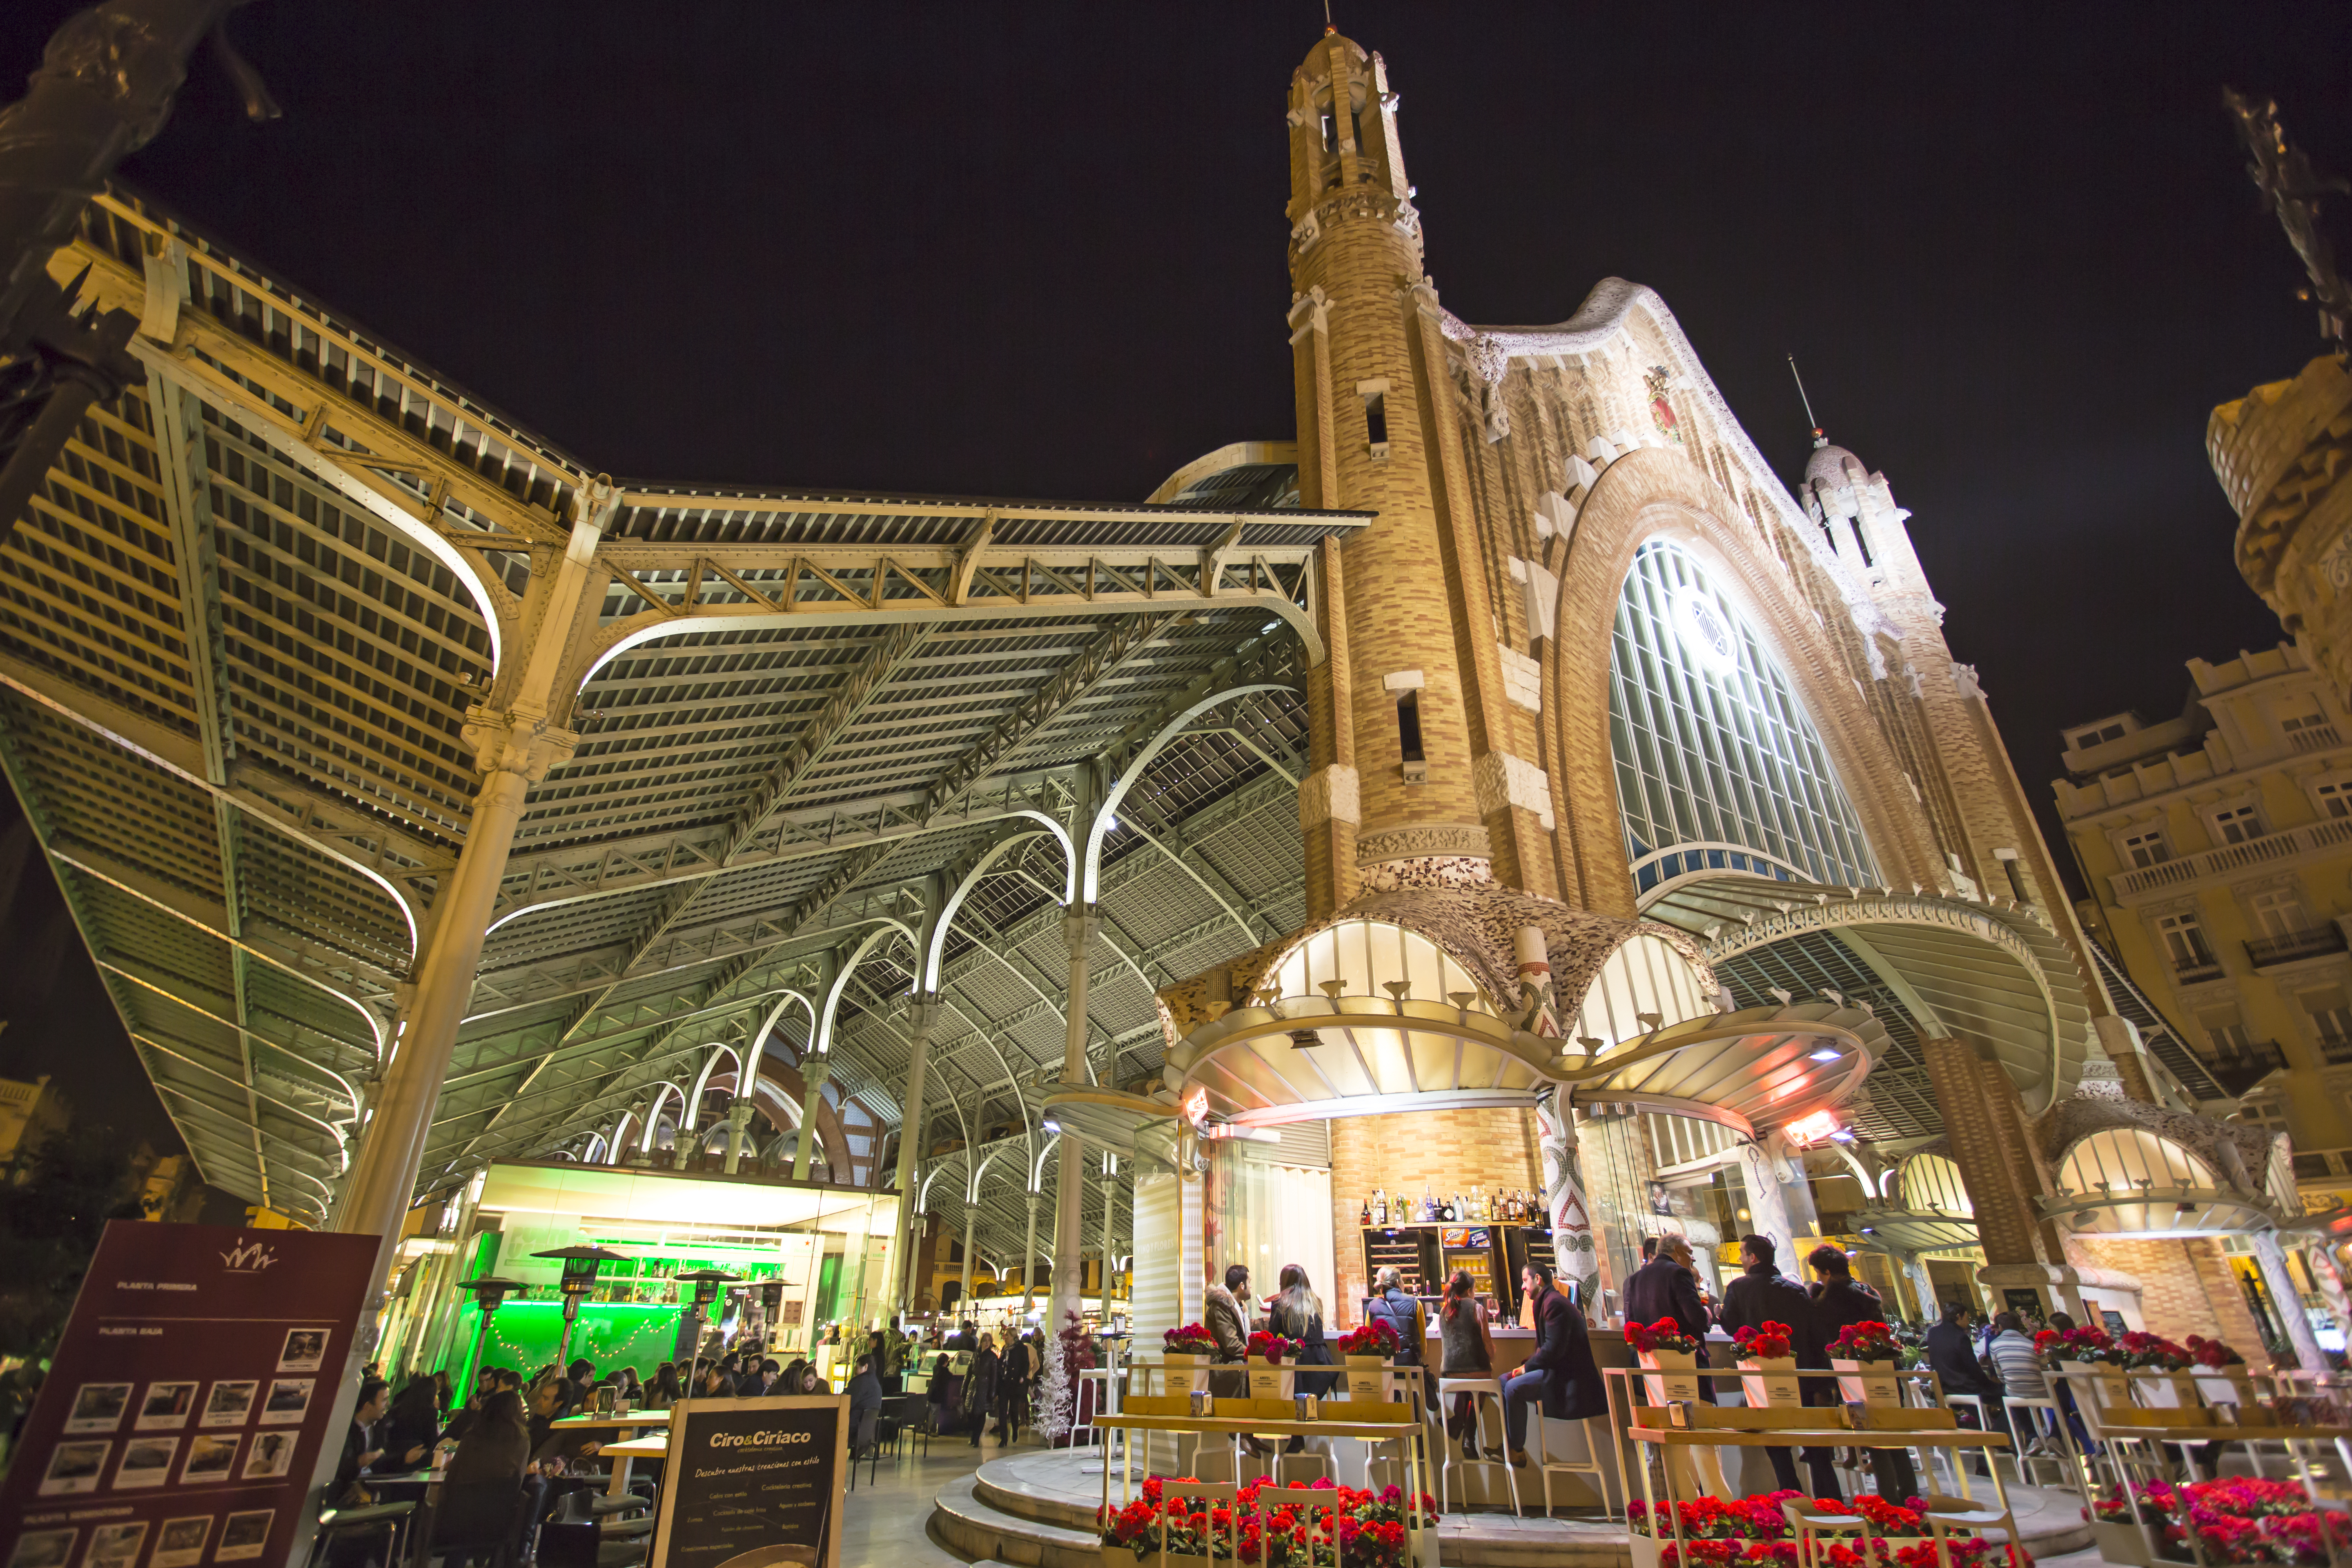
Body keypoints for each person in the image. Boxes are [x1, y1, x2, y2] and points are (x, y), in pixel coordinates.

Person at [1717, 1233, 1833, 1497]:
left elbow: (1735, 1329)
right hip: (1801, 1375)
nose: (1741, 1259)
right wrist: (1821, 1382)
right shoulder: (1794, 1290)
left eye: (1743, 1254)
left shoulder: (1739, 1288)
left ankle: (1793, 1500)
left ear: (1753, 1258)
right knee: (1816, 1444)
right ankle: (1830, 1504)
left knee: (1777, 1444)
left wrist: (1720, 1316)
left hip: (1764, 1378)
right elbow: (1816, 1336)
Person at [1808, 1244, 1917, 1503]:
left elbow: (1827, 1341)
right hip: (1886, 1370)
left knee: (1873, 1440)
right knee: (1895, 1439)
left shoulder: (1829, 1301)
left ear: (1826, 1271)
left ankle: (1889, 1504)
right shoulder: (1866, 1292)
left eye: (1818, 1272)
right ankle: (1910, 1498)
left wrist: (1825, 1385)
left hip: (1854, 1373)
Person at [1502, 1262, 1604, 1468]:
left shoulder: (1554, 1303)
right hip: (1556, 1369)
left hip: (1569, 1377)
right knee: (1503, 1381)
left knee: (1513, 1387)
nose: (1522, 1287)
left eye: (1525, 1281)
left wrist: (1526, 1368)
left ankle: (1516, 1451)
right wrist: (1527, 1366)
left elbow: (1553, 1350)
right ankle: (1511, 1446)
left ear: (1537, 1279)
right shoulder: (1549, 1300)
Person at [1625, 1233, 1711, 1389]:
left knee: (1660, 1411)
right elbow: (1696, 1317)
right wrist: (1707, 1314)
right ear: (1677, 1250)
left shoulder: (1635, 1278)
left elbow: (1631, 1320)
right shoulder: (1679, 1273)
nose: (1693, 1258)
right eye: (1690, 1252)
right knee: (1695, 1411)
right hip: (1683, 1360)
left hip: (1650, 1362)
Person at [1927, 1300, 2002, 1466]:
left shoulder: (1933, 1333)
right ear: (1958, 1317)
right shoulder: (1961, 1337)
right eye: (1966, 1317)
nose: (1968, 1321)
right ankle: (1998, 1441)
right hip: (1965, 1388)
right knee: (2007, 1399)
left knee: (1984, 1414)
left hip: (1945, 1387)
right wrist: (1991, 1385)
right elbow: (1972, 1368)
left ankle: (1990, 1443)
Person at [1437, 1269, 1498, 1458]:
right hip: (1476, 1371)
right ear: (1470, 1290)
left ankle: (1457, 1423)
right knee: (1478, 1385)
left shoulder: (1443, 1311)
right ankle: (1468, 1437)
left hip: (1450, 1373)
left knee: (1466, 1385)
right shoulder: (1477, 1308)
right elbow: (1488, 1345)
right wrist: (1493, 1356)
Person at [1365, 1266, 1429, 1398]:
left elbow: (1368, 1341)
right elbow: (1423, 1347)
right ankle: (1415, 1414)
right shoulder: (1415, 1304)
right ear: (1399, 1282)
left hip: (1384, 1370)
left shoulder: (1372, 1306)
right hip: (1410, 1369)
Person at [1204, 1263, 1255, 1401]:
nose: (1251, 1286)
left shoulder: (1237, 1306)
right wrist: (1255, 1354)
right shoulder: (1222, 1306)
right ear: (1242, 1286)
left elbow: (1243, 1327)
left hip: (1234, 1366)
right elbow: (1232, 1344)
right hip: (1225, 1369)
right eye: (1249, 1282)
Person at [968, 1333, 1001, 1446]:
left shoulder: (992, 1357)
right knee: (972, 1413)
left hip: (985, 1388)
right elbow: (969, 1373)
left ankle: (976, 1439)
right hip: (974, 1387)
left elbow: (994, 1376)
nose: (987, 1343)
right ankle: (973, 1437)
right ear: (981, 1341)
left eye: (989, 1341)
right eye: (985, 1340)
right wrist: (965, 1389)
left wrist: (992, 1393)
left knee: (981, 1414)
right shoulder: (975, 1355)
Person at [999, 1329, 1032, 1443]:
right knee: (1002, 1411)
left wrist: (1023, 1376)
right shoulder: (1005, 1349)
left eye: (1007, 1335)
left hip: (1015, 1383)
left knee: (1014, 1409)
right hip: (1004, 1382)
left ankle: (1015, 1430)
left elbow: (1026, 1363)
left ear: (1013, 1336)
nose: (1005, 1337)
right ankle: (1003, 1438)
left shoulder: (1021, 1348)